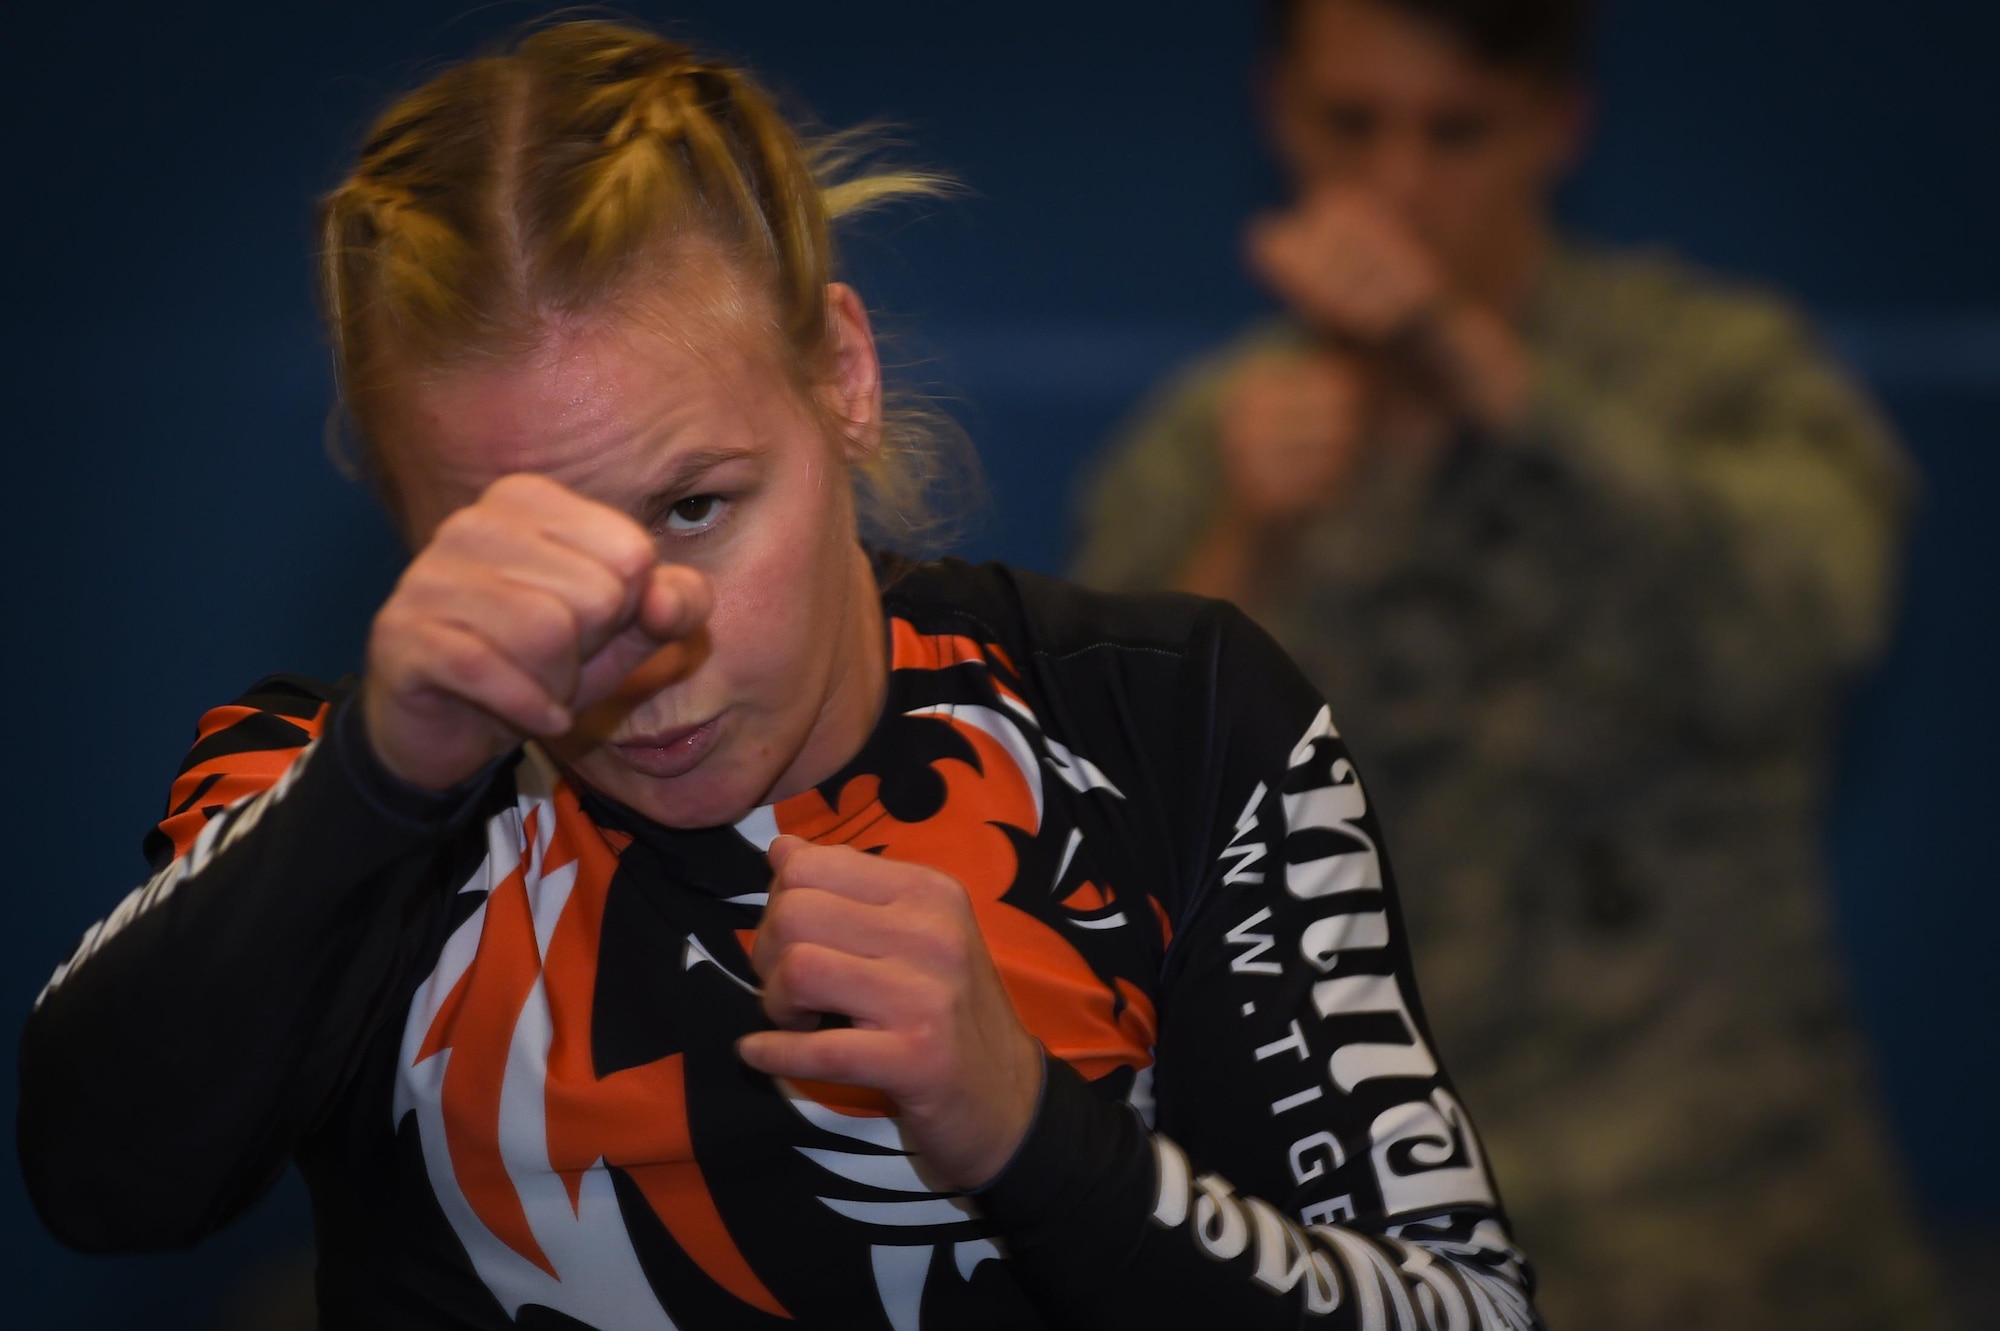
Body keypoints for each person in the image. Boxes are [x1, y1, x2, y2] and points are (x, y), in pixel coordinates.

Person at [18, 19, 1542, 1331]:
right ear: (410, 521)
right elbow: (94, 1187)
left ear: (843, 377)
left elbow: (1465, 1309)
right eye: (525, 542)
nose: (641, 637)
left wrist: (1030, 1133)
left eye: (696, 506)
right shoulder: (337, 799)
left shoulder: (1164, 718)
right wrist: (377, 778)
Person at [1072, 0, 1953, 1327]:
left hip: (1730, 1233)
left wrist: (1504, 397)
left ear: (1560, 125)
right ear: (1279, 115)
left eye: (1458, 132)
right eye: (1353, 125)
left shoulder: (1719, 377)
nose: (1398, 185)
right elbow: (1094, 831)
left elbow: (1805, 632)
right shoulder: (1208, 442)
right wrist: (1245, 541)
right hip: (1356, 1239)